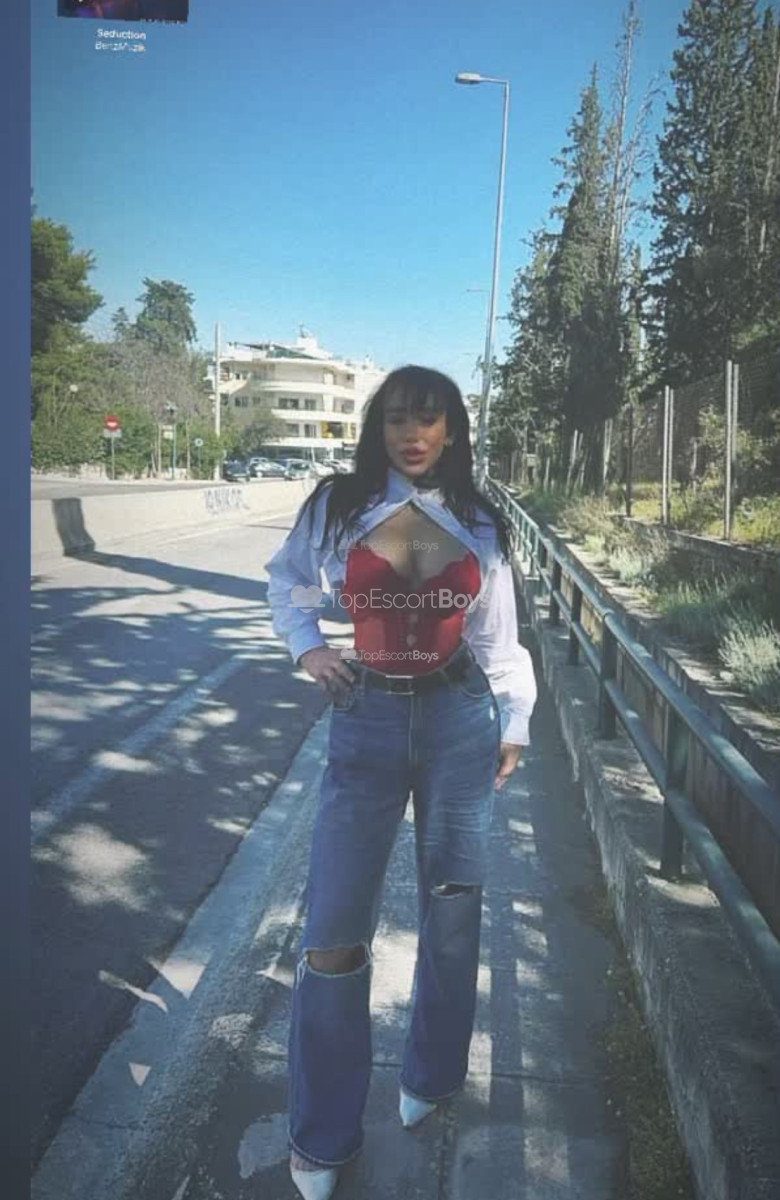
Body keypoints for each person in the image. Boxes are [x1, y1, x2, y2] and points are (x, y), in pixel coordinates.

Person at [264, 365, 538, 1200]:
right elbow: (287, 583)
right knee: (334, 926)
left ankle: (433, 1073)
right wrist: (310, 648)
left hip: (460, 721)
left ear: (452, 430)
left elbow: (498, 637)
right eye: (396, 420)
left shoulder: (480, 519)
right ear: (376, 428)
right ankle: (322, 1132)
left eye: (428, 419)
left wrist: (515, 721)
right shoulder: (338, 506)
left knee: (452, 907)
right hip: (367, 719)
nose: (412, 435)